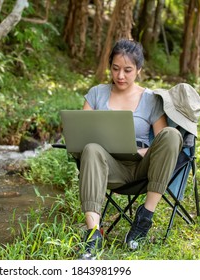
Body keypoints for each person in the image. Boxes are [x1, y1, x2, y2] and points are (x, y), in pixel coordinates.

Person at [78, 39, 183, 260]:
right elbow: (80, 132)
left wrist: (144, 152)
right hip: (110, 168)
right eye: (115, 69)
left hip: (144, 168)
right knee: (90, 148)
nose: (120, 76)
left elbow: (163, 140)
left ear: (139, 70)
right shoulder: (96, 94)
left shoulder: (150, 99)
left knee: (172, 135)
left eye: (127, 70)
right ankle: (93, 235)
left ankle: (144, 219)